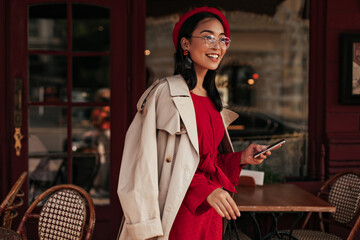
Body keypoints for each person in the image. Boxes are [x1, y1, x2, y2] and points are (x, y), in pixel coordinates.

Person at [117, 7, 280, 240]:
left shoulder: (214, 101)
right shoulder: (165, 93)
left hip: (209, 213)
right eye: (208, 37)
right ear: (185, 44)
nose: (218, 46)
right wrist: (204, 191)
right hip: (177, 212)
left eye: (223, 39)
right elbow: (143, 163)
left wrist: (241, 158)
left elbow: (207, 162)